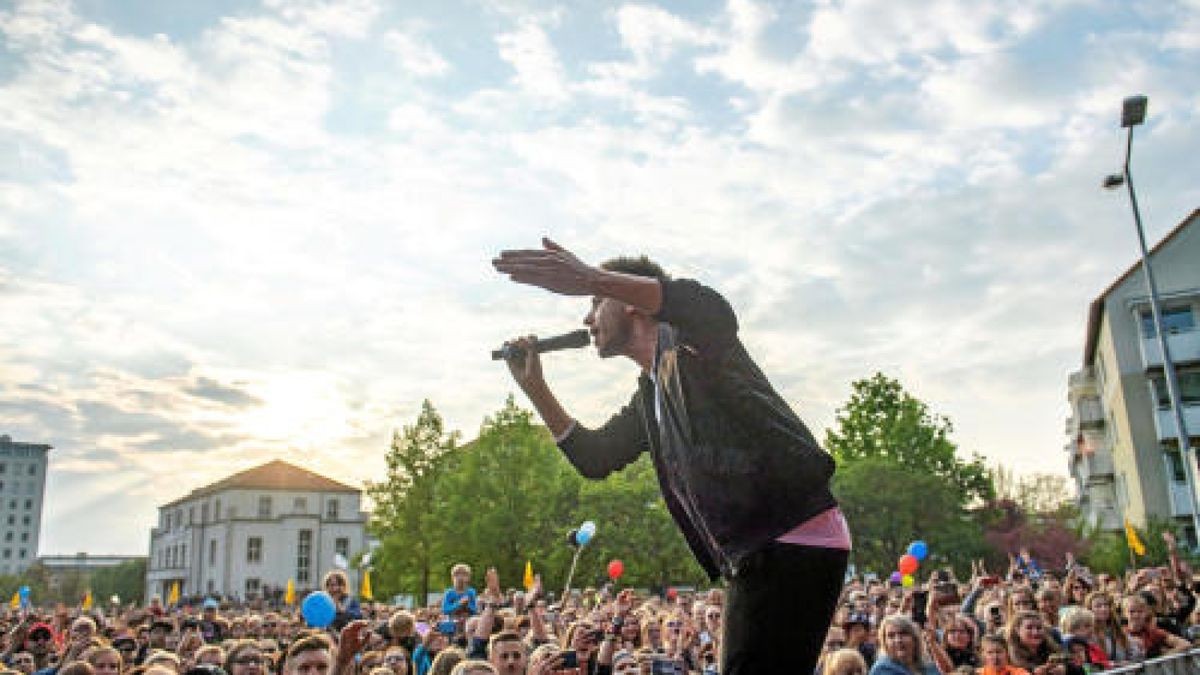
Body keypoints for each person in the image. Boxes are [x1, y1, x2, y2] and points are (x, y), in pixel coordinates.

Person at [494, 240, 849, 675]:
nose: (587, 318)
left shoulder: (696, 344)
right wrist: (537, 390)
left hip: (790, 535)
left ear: (629, 303)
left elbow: (710, 306)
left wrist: (589, 276)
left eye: (596, 303)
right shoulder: (650, 395)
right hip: (757, 549)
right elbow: (595, 458)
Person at [868, 616, 937, 675]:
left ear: (915, 638)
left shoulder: (929, 665)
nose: (898, 640)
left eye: (903, 633)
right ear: (884, 642)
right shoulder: (882, 669)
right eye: (891, 636)